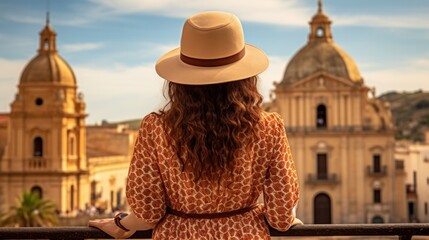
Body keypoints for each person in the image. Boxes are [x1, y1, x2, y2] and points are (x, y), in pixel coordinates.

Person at [89, 11, 302, 239]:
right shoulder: (269, 127)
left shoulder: (156, 128)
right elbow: (280, 217)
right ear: (245, 77)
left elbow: (146, 215)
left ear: (179, 80)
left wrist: (120, 224)